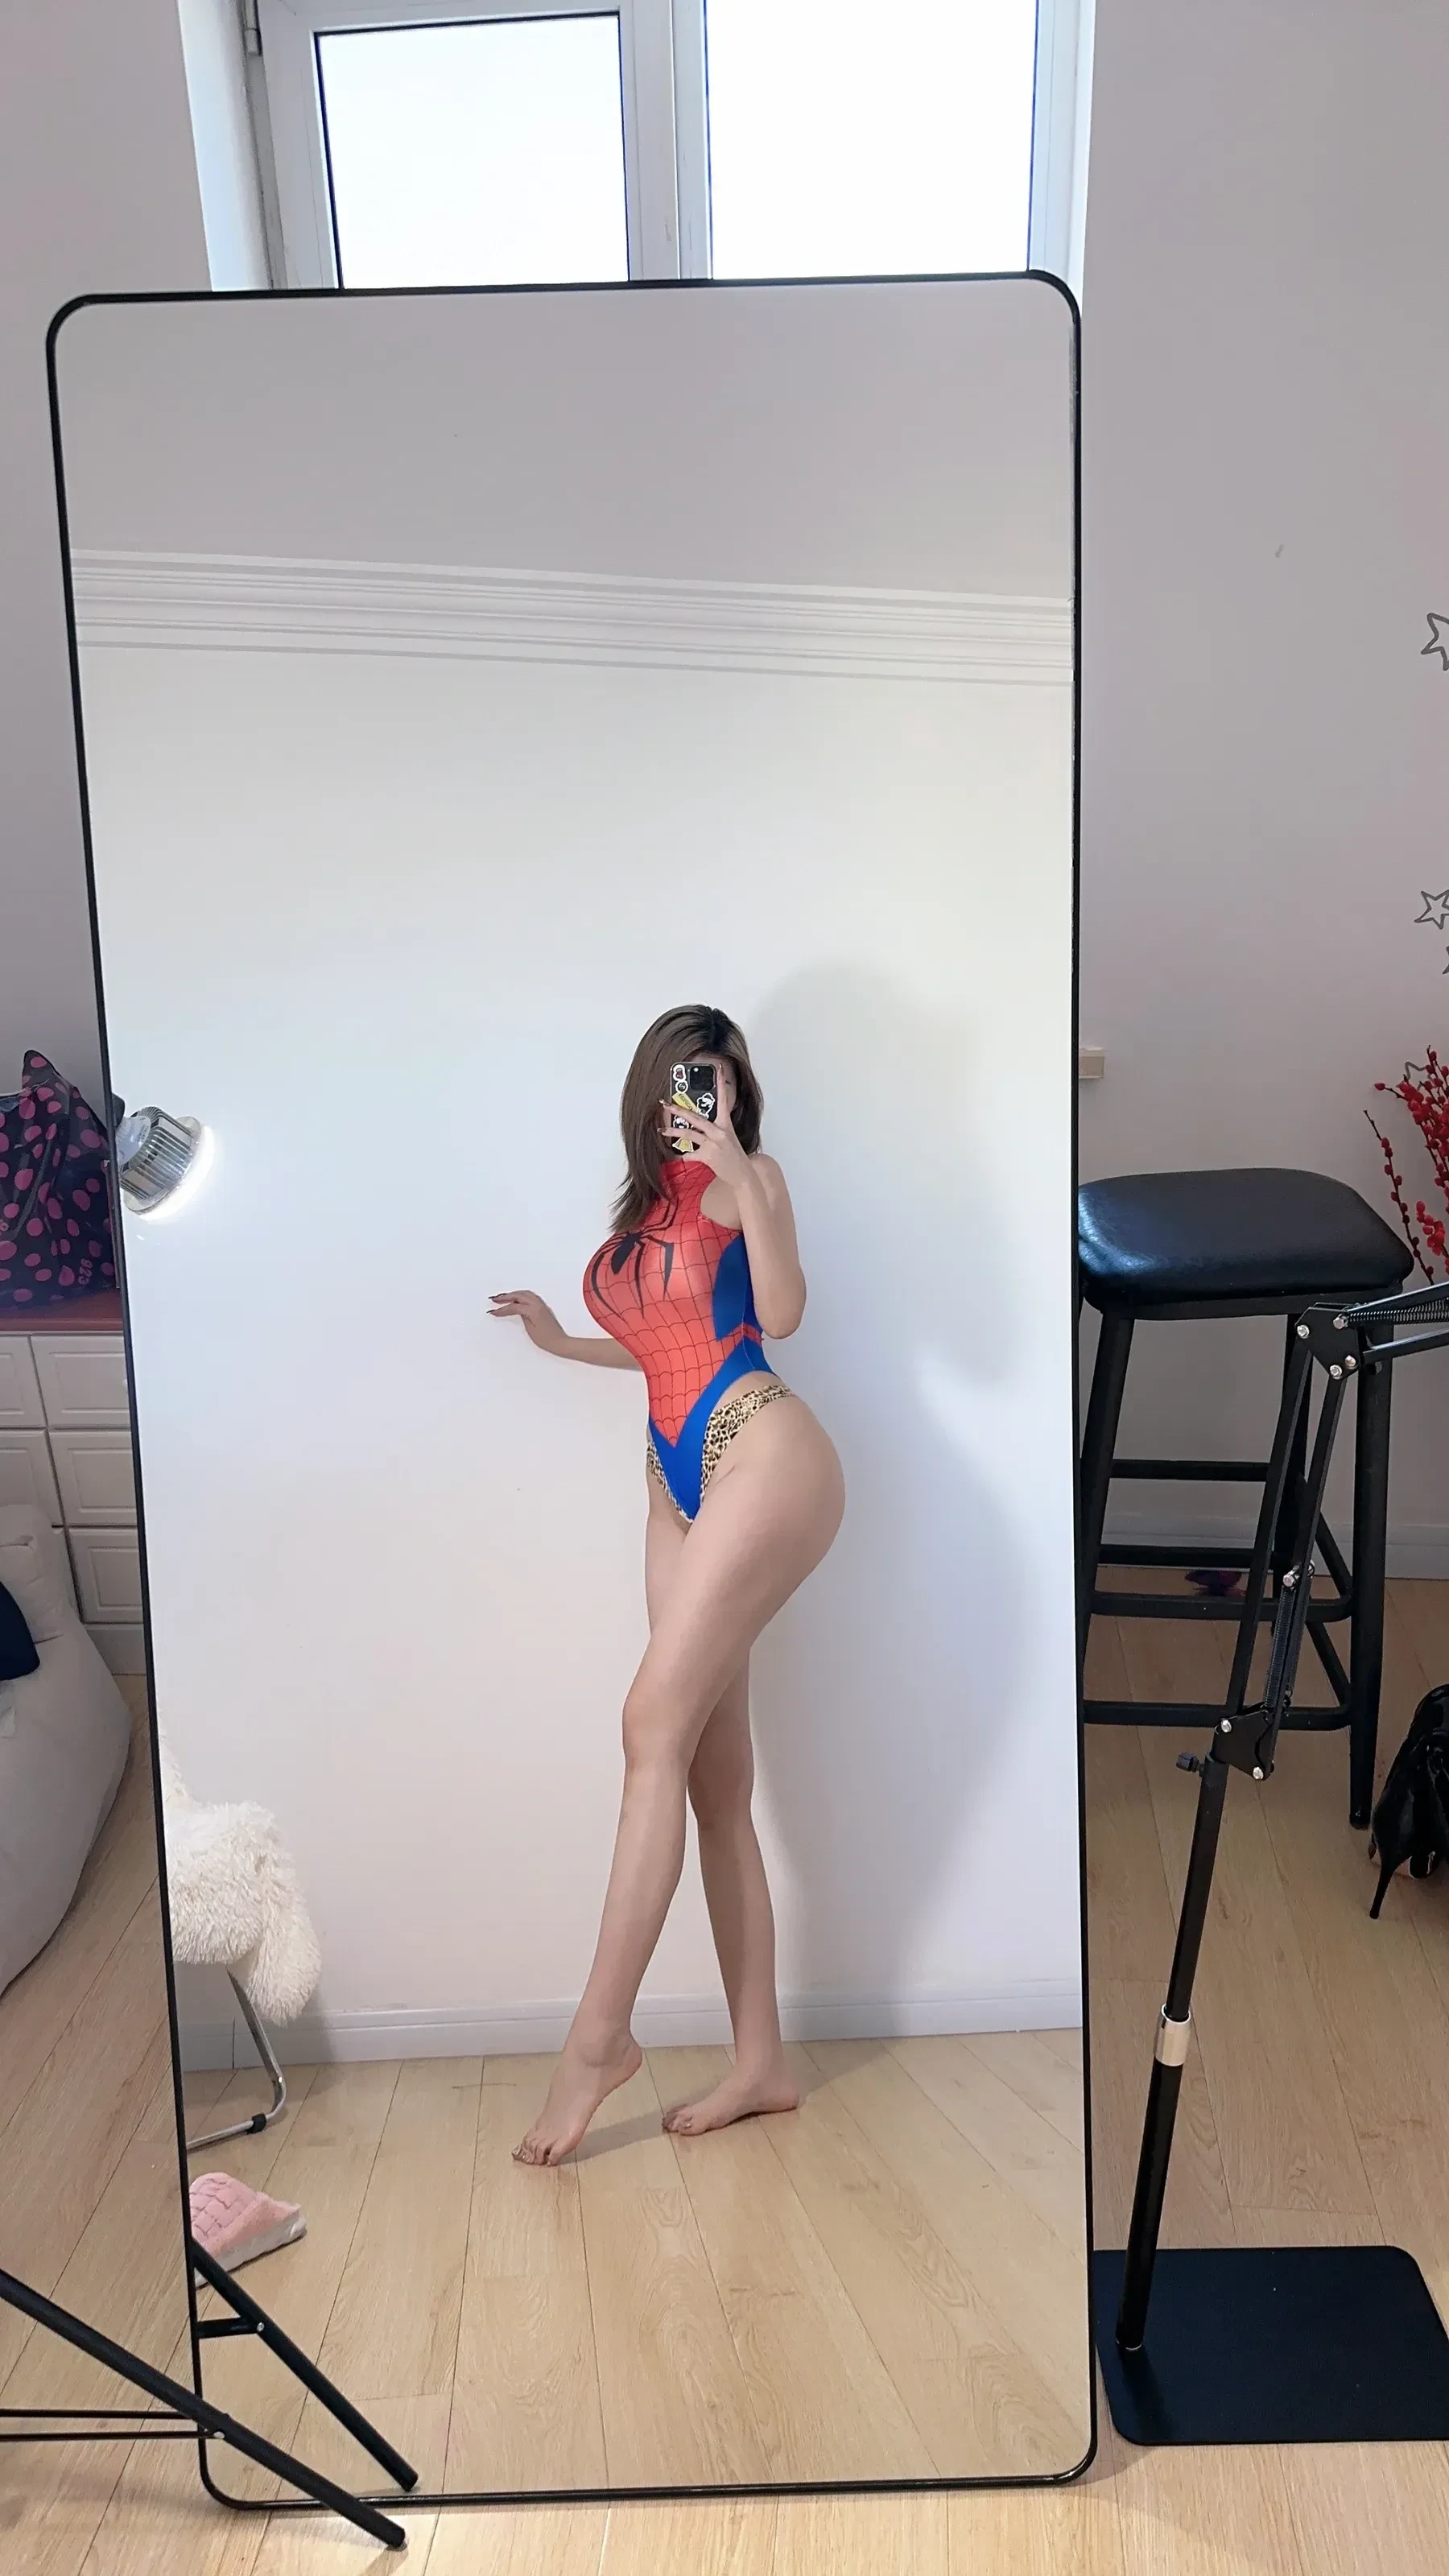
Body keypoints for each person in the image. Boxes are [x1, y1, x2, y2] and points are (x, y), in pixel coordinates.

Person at [489, 1005, 844, 2163]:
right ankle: (762, 2062)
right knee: (710, 1774)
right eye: (688, 1079)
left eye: (722, 1080)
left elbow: (779, 1314)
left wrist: (740, 1169)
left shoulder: (751, 1183)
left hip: (763, 1453)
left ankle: (597, 2040)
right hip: (672, 1483)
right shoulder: (640, 1210)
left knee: (647, 1722)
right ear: (650, 1088)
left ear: (739, 1095)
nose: (704, 1097)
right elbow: (658, 1342)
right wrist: (558, 1341)